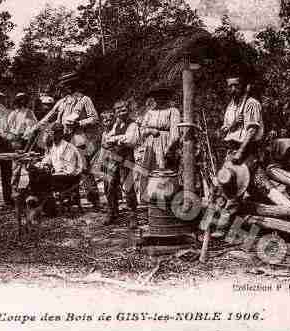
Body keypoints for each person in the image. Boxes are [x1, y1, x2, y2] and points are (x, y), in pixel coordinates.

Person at [34, 72, 101, 210]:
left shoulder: (84, 100)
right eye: (64, 86)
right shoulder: (62, 101)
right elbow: (49, 116)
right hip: (63, 140)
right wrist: (35, 127)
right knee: (65, 170)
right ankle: (71, 199)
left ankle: (94, 200)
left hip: (79, 139)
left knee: (84, 169)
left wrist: (80, 123)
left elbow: (95, 118)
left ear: (74, 85)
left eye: (69, 85)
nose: (66, 88)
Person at [212, 75, 268, 238]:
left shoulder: (251, 103)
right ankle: (212, 224)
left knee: (234, 191)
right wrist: (232, 124)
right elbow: (224, 130)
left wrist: (240, 153)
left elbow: (251, 132)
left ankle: (221, 229)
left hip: (246, 150)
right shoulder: (231, 106)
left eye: (236, 86)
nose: (232, 90)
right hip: (231, 150)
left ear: (243, 86)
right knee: (222, 185)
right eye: (230, 86)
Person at [101, 100, 140, 228]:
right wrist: (117, 139)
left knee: (128, 185)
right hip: (113, 157)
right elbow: (107, 140)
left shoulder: (133, 124)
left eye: (123, 109)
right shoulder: (115, 125)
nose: (121, 111)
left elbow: (130, 140)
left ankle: (133, 215)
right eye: (118, 110)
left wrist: (115, 140)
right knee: (109, 184)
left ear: (128, 110)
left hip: (126, 158)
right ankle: (112, 211)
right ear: (115, 112)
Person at [138, 86, 181, 202]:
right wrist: (150, 131)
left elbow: (175, 132)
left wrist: (169, 147)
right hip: (150, 145)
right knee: (149, 170)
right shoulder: (150, 113)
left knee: (164, 172)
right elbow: (141, 130)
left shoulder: (173, 111)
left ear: (167, 97)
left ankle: (165, 202)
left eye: (162, 96)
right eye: (157, 97)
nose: (159, 99)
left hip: (165, 142)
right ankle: (148, 201)